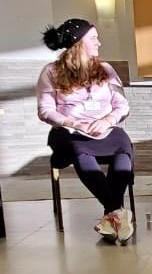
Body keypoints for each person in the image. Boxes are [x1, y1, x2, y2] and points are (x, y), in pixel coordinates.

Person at [37, 18, 134, 243]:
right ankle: (118, 212)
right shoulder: (50, 72)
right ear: (78, 43)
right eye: (94, 38)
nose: (99, 43)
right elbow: (45, 110)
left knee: (123, 145)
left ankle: (111, 220)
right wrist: (74, 123)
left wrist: (108, 119)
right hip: (69, 131)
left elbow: (122, 105)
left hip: (105, 127)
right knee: (80, 150)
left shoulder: (106, 70)